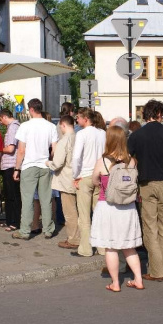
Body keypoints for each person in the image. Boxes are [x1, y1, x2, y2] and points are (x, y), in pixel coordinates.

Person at [128, 99, 163, 281]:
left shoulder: (136, 135)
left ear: (145, 115)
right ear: (160, 114)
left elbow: (129, 160)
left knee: (150, 227)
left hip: (146, 184)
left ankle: (156, 270)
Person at [90, 126, 144, 292]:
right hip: (128, 207)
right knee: (129, 246)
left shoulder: (103, 162)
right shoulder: (132, 161)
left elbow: (94, 181)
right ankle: (138, 279)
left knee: (111, 247)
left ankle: (115, 283)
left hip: (108, 206)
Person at [12, 98, 58, 240]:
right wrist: (48, 160)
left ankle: (25, 230)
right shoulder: (51, 126)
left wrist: (17, 168)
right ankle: (48, 229)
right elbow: (55, 149)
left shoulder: (25, 126)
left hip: (29, 166)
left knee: (27, 199)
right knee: (46, 199)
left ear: (31, 109)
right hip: (45, 165)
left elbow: (21, 150)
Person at [70, 108, 106, 257]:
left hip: (85, 176)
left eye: (78, 118)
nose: (77, 120)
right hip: (99, 175)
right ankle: (102, 247)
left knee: (84, 216)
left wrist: (75, 175)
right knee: (99, 214)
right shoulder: (103, 133)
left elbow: (77, 157)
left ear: (85, 119)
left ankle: (85, 249)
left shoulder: (82, 134)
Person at [46, 115, 80, 249]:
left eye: (60, 126)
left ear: (63, 125)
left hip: (66, 179)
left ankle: (74, 239)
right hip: (78, 178)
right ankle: (79, 236)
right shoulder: (78, 137)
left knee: (69, 211)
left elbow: (58, 163)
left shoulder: (64, 140)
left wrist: (48, 163)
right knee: (79, 211)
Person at [0, 109, 21, 232]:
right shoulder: (16, 126)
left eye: (1, 120)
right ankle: (11, 220)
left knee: (12, 195)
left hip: (10, 165)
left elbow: (11, 148)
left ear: (5, 117)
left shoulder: (12, 128)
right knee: (12, 194)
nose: (1, 123)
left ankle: (14, 221)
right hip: (11, 164)